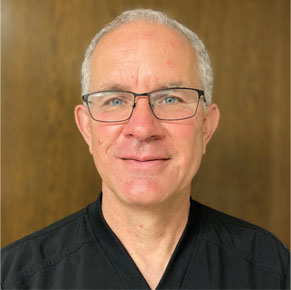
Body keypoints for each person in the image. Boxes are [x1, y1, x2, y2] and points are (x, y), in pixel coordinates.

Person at [1, 8, 289, 290]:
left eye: (171, 99)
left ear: (206, 126)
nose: (142, 128)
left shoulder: (271, 269)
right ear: (86, 128)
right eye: (115, 100)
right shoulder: (16, 277)